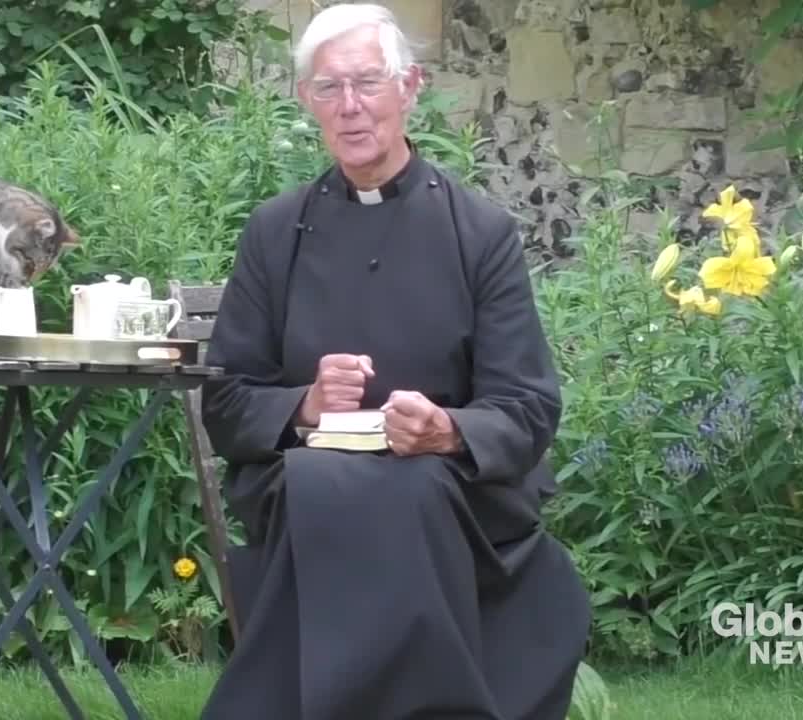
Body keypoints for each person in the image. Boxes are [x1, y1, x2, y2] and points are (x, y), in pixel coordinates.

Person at [197, 4, 591, 719]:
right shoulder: (274, 231)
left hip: (453, 496)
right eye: (328, 88)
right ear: (304, 101)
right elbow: (225, 400)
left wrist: (447, 431)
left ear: (409, 87)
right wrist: (305, 406)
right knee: (349, 492)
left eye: (367, 84)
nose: (349, 108)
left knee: (406, 493)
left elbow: (528, 407)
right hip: (304, 483)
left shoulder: (480, 232)